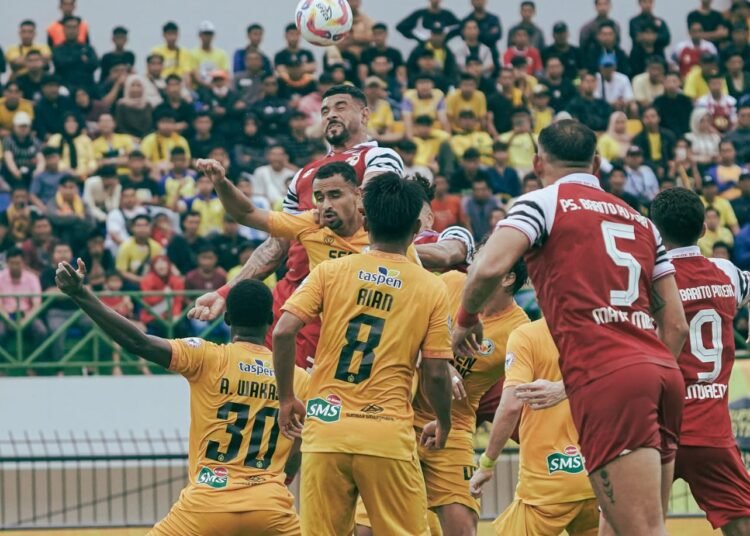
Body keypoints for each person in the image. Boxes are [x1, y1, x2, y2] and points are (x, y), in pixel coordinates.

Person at [452, 120, 689, 536]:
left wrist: (465, 320)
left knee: (641, 530)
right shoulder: (641, 220)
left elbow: (488, 266)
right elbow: (675, 324)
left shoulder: (541, 203)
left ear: (538, 162)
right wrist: (645, 369)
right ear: (597, 163)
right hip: (662, 373)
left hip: (607, 377)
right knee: (631, 525)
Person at [55, 257, 307, 533]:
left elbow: (138, 341)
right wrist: (283, 479)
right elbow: (298, 443)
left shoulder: (207, 356)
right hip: (270, 505)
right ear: (271, 319)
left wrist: (81, 293)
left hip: (206, 503)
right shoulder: (297, 378)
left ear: (227, 318)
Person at [272, 172, 453, 536]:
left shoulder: (329, 271)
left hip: (326, 430)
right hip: (386, 435)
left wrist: (288, 397)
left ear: (365, 219)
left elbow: (283, 331)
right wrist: (444, 421)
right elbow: (435, 372)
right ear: (417, 226)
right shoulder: (431, 287)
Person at [189, 85, 404, 371]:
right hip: (289, 297)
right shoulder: (304, 174)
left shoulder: (379, 157)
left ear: (365, 114)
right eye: (325, 110)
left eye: (341, 107)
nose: (330, 115)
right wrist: (224, 293)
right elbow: (275, 244)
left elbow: (372, 205)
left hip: (336, 302)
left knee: (308, 401)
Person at [648, 187, 750, 536]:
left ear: (654, 231)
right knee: (742, 524)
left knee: (629, 524)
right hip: (713, 434)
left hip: (658, 427)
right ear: (704, 229)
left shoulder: (649, 280)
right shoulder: (725, 271)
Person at [410, 259, 529, 536]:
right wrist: (438, 361)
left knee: (462, 530)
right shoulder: (449, 282)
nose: (473, 265)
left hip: (454, 428)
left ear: (507, 278)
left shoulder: (519, 330)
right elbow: (402, 332)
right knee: (368, 529)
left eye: (485, 259)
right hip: (402, 417)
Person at [469, 317, 597, 536]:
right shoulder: (601, 334)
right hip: (597, 476)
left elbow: (511, 406)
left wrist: (486, 464)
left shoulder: (526, 335)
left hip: (546, 484)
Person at [0, 246, 46, 356]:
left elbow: (37, 304)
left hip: (27, 316)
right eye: (12, 263)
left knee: (41, 331)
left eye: (18, 263)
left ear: (24, 263)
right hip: (4, 316)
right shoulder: (0, 277)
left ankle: (33, 366)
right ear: (6, 263)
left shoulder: (32, 278)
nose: (15, 266)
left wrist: (24, 321)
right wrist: (8, 320)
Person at [51, 16, 98, 92]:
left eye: (74, 27)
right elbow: (60, 63)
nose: (71, 30)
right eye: (68, 27)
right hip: (65, 87)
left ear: (79, 30)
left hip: (87, 87)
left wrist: (71, 60)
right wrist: (80, 57)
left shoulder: (88, 48)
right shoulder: (58, 49)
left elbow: (95, 64)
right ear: (64, 29)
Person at [116, 214, 164, 286]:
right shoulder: (125, 247)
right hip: (132, 285)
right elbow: (121, 271)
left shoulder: (156, 247)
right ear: (132, 228)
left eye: (145, 225)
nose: (142, 229)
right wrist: (141, 280)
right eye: (138, 226)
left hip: (153, 283)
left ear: (150, 228)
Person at [46, 112, 96, 180]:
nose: (71, 125)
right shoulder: (56, 139)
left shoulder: (85, 139)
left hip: (84, 176)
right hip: (61, 175)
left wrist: (89, 169)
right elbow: (50, 158)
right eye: (68, 122)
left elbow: (92, 159)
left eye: (74, 122)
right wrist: (67, 170)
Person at [3, 111, 44, 189]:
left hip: (31, 173)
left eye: (25, 126)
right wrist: (16, 173)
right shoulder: (8, 141)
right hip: (12, 174)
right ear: (14, 127)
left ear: (29, 127)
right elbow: (9, 159)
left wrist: (37, 173)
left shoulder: (35, 141)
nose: (23, 129)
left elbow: (41, 160)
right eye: (20, 126)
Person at [653, 72, 694, 137]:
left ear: (680, 83)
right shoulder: (658, 101)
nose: (671, 85)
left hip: (685, 132)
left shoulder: (686, 100)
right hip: (665, 135)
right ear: (663, 83)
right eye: (668, 82)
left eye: (674, 81)